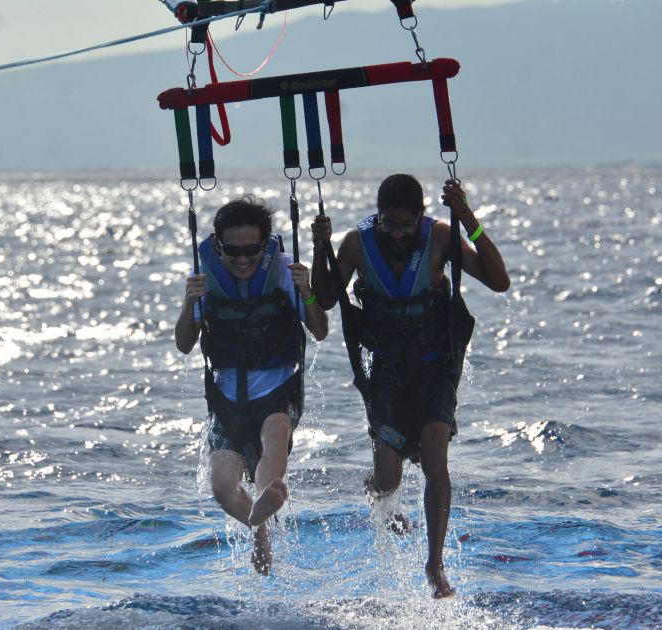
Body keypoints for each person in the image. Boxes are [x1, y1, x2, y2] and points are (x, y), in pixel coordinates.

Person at [310, 174, 509, 598]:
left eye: (405, 226)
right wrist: (318, 246)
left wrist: (467, 217)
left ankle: (435, 564)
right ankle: (378, 495)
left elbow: (498, 280)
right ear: (378, 216)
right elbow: (326, 298)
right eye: (389, 225)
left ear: (420, 215)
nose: (398, 235)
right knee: (388, 477)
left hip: (436, 367)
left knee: (436, 456)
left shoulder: (439, 235)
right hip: (387, 373)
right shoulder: (355, 244)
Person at [175, 196, 328, 575]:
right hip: (227, 396)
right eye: (232, 252)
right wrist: (187, 303)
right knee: (223, 487)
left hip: (278, 387)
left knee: (274, 431)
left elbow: (321, 329)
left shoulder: (282, 271)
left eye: (252, 251)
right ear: (218, 245)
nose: (243, 261)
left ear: (265, 245)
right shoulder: (204, 277)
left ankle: (267, 495)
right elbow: (183, 343)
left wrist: (307, 290)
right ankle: (260, 526)